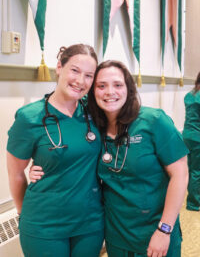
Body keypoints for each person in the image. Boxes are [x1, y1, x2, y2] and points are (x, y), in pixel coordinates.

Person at [30, 60, 189, 257]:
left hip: (156, 230)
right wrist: (39, 166)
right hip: (116, 234)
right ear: (92, 91)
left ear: (128, 88)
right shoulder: (92, 128)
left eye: (118, 85)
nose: (109, 92)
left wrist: (164, 230)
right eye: (101, 86)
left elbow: (180, 175)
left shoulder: (154, 121)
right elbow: (69, 154)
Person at [6, 44, 104, 257]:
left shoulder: (95, 111)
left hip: (90, 222)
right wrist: (24, 214)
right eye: (75, 70)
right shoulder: (29, 117)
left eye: (89, 75)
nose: (80, 81)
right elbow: (15, 174)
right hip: (44, 224)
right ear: (59, 67)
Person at [182, 72, 200, 211]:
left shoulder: (189, 95)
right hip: (198, 137)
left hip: (187, 135)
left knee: (191, 169)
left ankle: (193, 198)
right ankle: (194, 203)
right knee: (197, 171)